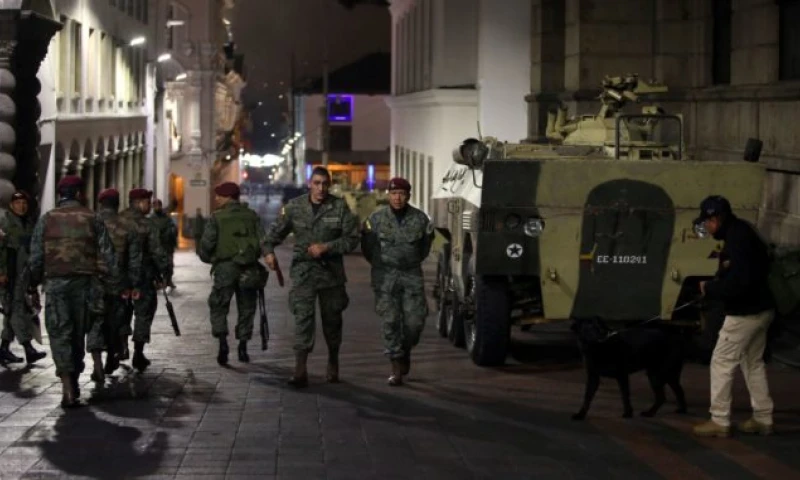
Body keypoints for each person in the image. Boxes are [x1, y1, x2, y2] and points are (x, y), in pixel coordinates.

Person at [263, 166, 359, 387]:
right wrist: (268, 253)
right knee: (303, 320)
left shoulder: (339, 206)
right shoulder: (295, 207)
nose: (321, 188)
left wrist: (327, 247)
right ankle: (300, 370)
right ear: (309, 183)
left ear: (330, 184)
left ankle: (333, 361)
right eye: (316, 183)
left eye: (325, 184)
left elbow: (352, 238)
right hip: (304, 273)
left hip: (331, 275)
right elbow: (272, 235)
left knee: (332, 322)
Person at [27, 176, 115, 407]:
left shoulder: (46, 219)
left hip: (56, 285)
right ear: (78, 194)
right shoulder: (92, 218)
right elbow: (107, 254)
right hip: (86, 284)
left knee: (59, 333)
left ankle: (67, 385)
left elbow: (35, 256)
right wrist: (107, 280)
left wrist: (31, 285)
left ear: (60, 194)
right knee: (78, 333)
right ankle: (75, 378)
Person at [692, 195, 776, 437]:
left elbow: (738, 283)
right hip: (763, 308)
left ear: (716, 218)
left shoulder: (736, 240)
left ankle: (719, 420)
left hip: (745, 313)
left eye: (707, 222)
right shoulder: (743, 231)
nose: (706, 227)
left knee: (721, 361)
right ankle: (763, 417)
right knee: (752, 362)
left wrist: (710, 289)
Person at [361, 177, 434, 385]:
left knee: (415, 322)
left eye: (402, 194)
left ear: (408, 196)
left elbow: (424, 249)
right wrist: (381, 264)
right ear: (388, 195)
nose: (397, 198)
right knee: (390, 321)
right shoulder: (375, 220)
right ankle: (395, 367)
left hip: (411, 275)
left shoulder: (420, 220)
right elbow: (368, 248)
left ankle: (404, 350)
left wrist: (408, 262)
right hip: (385, 276)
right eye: (394, 193)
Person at [197, 182, 268, 365]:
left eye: (219, 196)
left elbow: (206, 246)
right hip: (249, 269)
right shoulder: (252, 216)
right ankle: (243, 347)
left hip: (225, 268)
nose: (216, 199)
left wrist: (212, 259)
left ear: (228, 197)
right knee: (247, 308)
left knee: (219, 305)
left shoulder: (217, 217)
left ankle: (222, 344)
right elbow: (263, 241)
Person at [119, 188, 170, 372]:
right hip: (143, 277)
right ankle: (138, 353)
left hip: (120, 278)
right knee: (144, 313)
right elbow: (157, 251)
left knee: (121, 312)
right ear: (139, 202)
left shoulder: (118, 221)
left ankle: (122, 344)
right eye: (147, 202)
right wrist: (165, 271)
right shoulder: (147, 225)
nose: (149, 205)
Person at [93, 188, 142, 376]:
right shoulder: (127, 225)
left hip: (94, 280)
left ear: (100, 203)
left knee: (96, 320)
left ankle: (97, 360)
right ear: (117, 203)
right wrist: (134, 284)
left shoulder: (90, 222)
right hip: (119, 281)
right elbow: (134, 259)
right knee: (117, 318)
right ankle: (114, 352)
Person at [0, 191, 47, 365]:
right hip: (9, 275)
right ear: (11, 205)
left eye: (24, 203)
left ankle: (4, 348)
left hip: (23, 274)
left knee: (12, 311)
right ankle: (28, 347)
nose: (22, 206)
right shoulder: (5, 223)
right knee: (16, 310)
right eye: (18, 203)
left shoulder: (27, 223)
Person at [150, 199, 178, 289]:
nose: (157, 207)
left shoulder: (166, 217)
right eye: (155, 206)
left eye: (158, 205)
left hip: (167, 245)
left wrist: (170, 233)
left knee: (169, 265)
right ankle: (158, 281)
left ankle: (168, 280)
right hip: (156, 247)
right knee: (157, 265)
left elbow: (173, 228)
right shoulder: (151, 219)